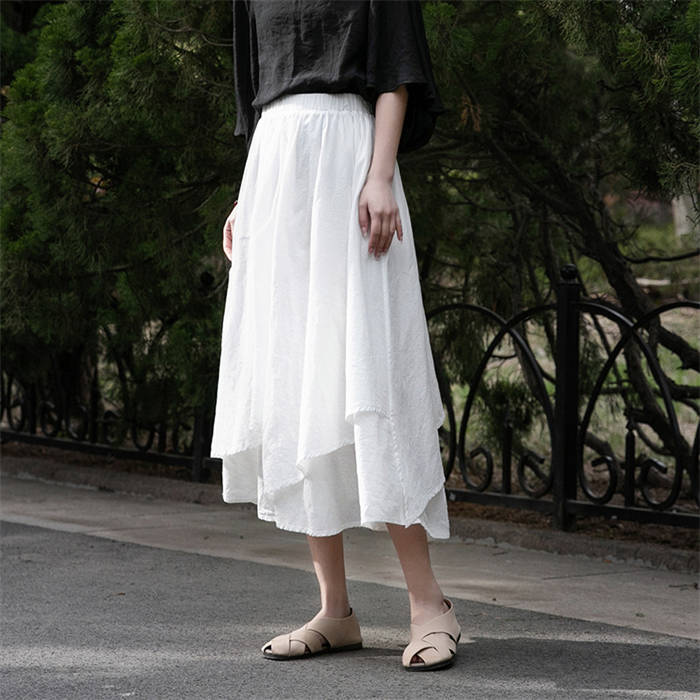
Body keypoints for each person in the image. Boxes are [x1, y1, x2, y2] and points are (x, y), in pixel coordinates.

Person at [210, 0, 461, 671]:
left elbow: (396, 75)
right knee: (297, 376)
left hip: (351, 166)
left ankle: (429, 606)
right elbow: (258, 98)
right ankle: (335, 611)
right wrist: (246, 197)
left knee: (370, 372)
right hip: (277, 177)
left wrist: (380, 175)